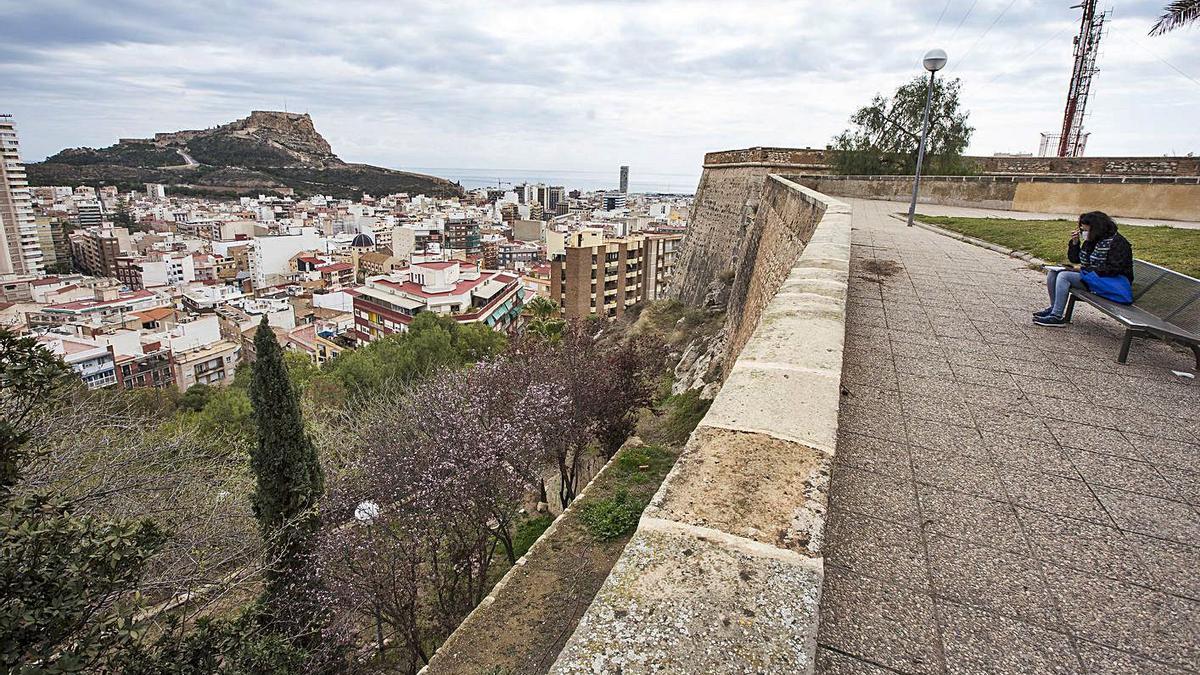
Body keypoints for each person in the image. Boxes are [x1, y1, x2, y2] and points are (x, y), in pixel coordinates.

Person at [1034, 211, 1133, 327]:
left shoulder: (1118, 243)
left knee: (1064, 276)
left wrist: (1084, 270)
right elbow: (1075, 259)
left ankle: (1057, 316)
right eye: (1083, 230)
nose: (1084, 233)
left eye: (1087, 230)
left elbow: (1115, 269)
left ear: (1097, 228)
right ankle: (1054, 309)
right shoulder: (1092, 240)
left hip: (1110, 283)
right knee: (1054, 273)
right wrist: (1075, 243)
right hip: (1093, 278)